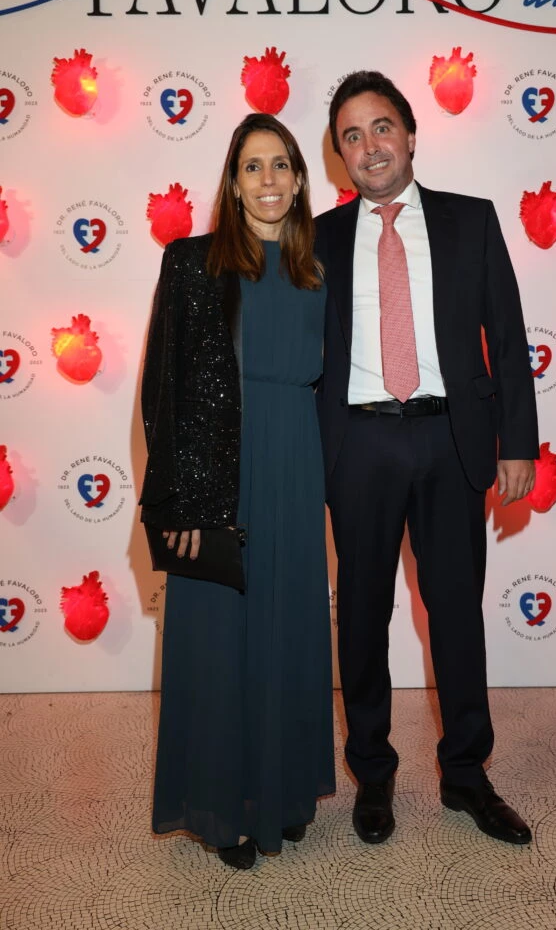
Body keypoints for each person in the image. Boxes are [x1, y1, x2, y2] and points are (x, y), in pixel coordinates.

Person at [315, 71, 539, 847]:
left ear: (409, 135)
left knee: (455, 613)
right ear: (338, 155)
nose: (368, 146)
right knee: (364, 616)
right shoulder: (318, 239)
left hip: (451, 441)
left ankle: (466, 774)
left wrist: (517, 443)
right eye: (351, 135)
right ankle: (372, 774)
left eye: (381, 127)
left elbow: (506, 339)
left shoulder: (468, 222)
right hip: (358, 444)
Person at [139, 113, 335, 870]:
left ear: (299, 177)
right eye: (253, 167)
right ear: (231, 181)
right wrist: (181, 500)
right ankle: (221, 810)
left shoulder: (320, 267)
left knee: (286, 629)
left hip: (295, 461)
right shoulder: (191, 262)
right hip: (215, 470)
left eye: (281, 165)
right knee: (218, 638)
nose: (269, 180)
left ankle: (280, 797)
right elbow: (165, 387)